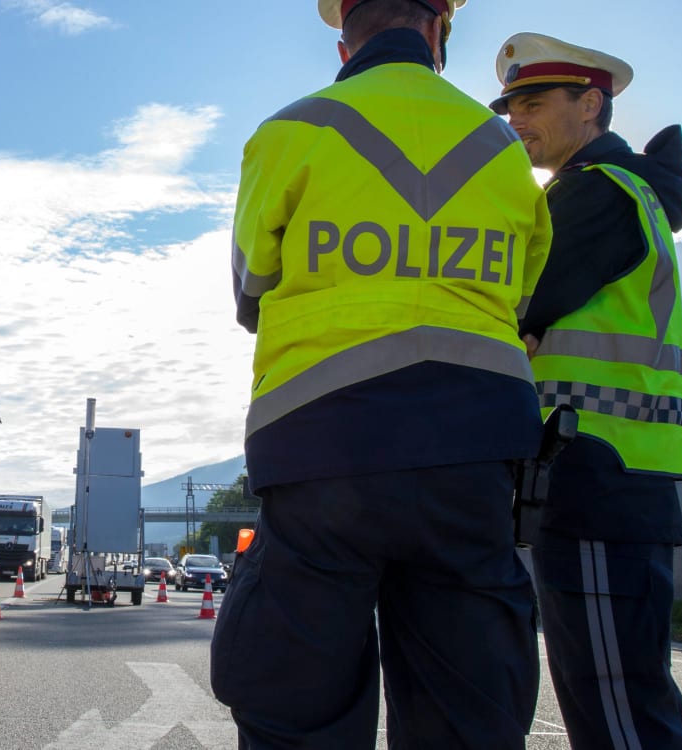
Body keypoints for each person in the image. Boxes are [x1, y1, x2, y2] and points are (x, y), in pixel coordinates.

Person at [211, 1, 553, 747]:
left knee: (298, 707)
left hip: (322, 447)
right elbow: (518, 298)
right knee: (468, 716)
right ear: (439, 31)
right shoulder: (501, 148)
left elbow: (251, 291)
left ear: (345, 42)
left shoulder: (290, 131)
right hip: (474, 456)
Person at [490, 32, 682, 749]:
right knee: (623, 702)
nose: (515, 119)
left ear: (591, 103)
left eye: (533, 102)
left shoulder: (595, 195)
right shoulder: (617, 194)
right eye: (509, 106)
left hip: (595, 473)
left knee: (618, 714)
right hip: (608, 474)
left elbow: (509, 310)